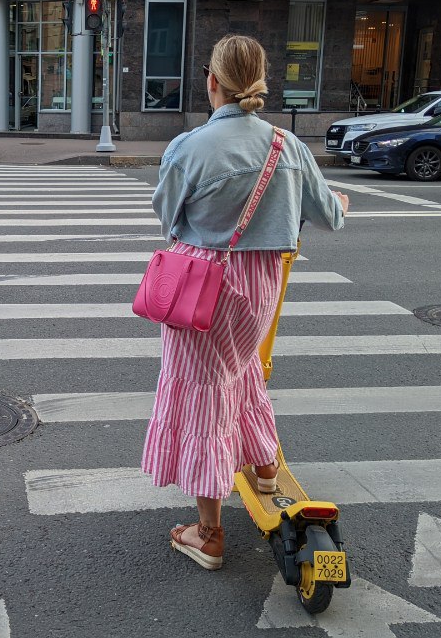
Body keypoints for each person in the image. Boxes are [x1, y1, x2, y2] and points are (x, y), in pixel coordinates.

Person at [143, 34, 349, 572]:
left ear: (212, 82)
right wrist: (337, 201)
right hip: (260, 286)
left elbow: (167, 218)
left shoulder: (189, 147)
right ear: (261, 82)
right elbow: (329, 215)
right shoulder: (288, 146)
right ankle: (262, 468)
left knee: (204, 392)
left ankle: (209, 533)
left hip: (201, 287)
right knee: (242, 372)